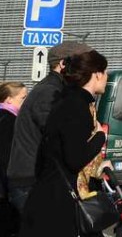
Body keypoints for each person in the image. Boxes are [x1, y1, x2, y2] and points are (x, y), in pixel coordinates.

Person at [20, 49, 110, 237]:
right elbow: (75, 158)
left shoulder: (70, 100)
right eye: (105, 72)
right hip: (58, 205)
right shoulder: (76, 106)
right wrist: (100, 136)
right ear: (96, 74)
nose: (107, 77)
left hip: (53, 197)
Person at [5, 41, 92, 214]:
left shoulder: (55, 89)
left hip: (35, 181)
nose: (87, 71)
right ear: (63, 64)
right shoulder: (49, 92)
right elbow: (60, 136)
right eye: (82, 64)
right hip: (30, 183)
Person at [0, 82, 27, 236]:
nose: (26, 102)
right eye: (23, 98)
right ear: (9, 99)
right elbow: (6, 157)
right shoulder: (9, 121)